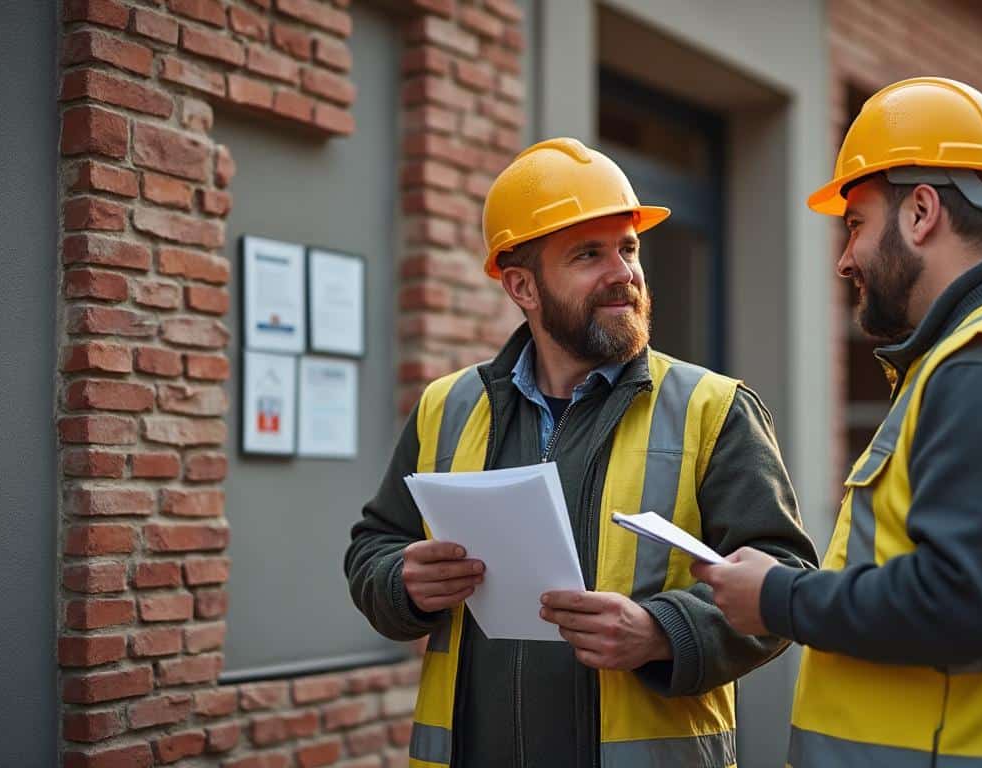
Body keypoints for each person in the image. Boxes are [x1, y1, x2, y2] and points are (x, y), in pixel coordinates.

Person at [694, 77, 982, 766]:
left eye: (855, 221)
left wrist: (779, 597)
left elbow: (960, 602)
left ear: (920, 212)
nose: (845, 257)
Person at [345, 137, 817, 768]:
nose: (623, 272)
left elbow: (784, 583)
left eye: (628, 248)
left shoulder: (713, 408)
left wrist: (662, 632)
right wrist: (402, 580)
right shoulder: (447, 406)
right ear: (523, 286)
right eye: (589, 254)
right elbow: (373, 546)